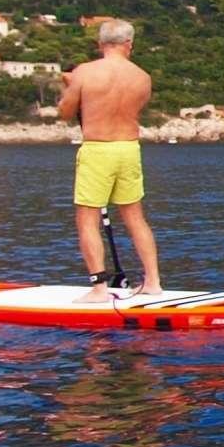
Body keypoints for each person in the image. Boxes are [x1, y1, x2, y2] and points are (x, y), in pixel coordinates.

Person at [56, 18, 163, 298]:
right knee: (135, 217)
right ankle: (153, 282)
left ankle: (99, 288)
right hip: (128, 148)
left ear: (100, 43)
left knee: (87, 220)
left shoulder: (85, 72)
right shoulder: (142, 77)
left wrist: (67, 86)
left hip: (98, 149)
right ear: (130, 44)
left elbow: (66, 112)